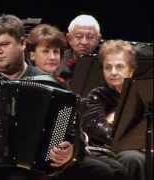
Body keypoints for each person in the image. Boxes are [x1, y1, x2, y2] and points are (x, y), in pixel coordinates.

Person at [0, 14, 119, 180]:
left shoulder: (49, 84)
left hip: (29, 164)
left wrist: (70, 151)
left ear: (22, 44)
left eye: (4, 45)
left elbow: (74, 134)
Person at [26, 24, 128, 180]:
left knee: (118, 169)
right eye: (46, 51)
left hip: (64, 154)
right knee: (103, 172)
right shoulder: (27, 84)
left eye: (56, 52)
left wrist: (72, 150)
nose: (53, 57)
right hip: (36, 160)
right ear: (32, 55)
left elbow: (74, 127)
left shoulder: (62, 85)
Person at [81, 40, 146, 180]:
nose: (113, 72)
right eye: (108, 67)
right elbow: (97, 129)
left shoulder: (144, 94)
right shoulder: (97, 95)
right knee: (133, 158)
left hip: (141, 147)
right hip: (107, 150)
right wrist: (135, 140)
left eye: (119, 67)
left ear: (131, 70)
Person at [57, 14, 102, 86]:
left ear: (98, 39)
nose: (84, 42)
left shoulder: (105, 62)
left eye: (90, 37)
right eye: (79, 37)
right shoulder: (57, 58)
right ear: (69, 38)